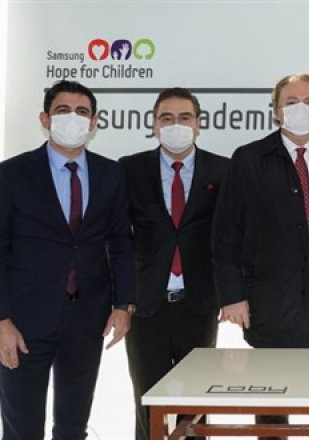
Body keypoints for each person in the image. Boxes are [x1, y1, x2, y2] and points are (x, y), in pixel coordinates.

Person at [0, 79, 134, 439]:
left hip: (87, 320)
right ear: (45, 119)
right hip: (23, 322)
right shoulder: (11, 174)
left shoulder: (110, 174)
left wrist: (123, 304)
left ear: (94, 122)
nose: (73, 118)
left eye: (82, 112)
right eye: (63, 110)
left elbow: (121, 242)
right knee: (22, 430)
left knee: (73, 428)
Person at [212, 73, 309, 430]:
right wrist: (232, 297)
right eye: (291, 102)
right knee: (271, 407)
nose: (301, 109)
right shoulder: (248, 159)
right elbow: (225, 234)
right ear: (276, 111)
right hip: (270, 303)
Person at [119, 87, 229, 440]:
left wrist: (231, 294)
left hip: (199, 304)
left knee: (196, 405)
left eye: (184, 117)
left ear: (199, 124)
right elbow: (117, 238)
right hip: (146, 305)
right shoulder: (130, 169)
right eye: (166, 118)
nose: (175, 125)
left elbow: (230, 238)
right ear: (154, 124)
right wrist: (121, 299)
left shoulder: (223, 169)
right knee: (147, 402)